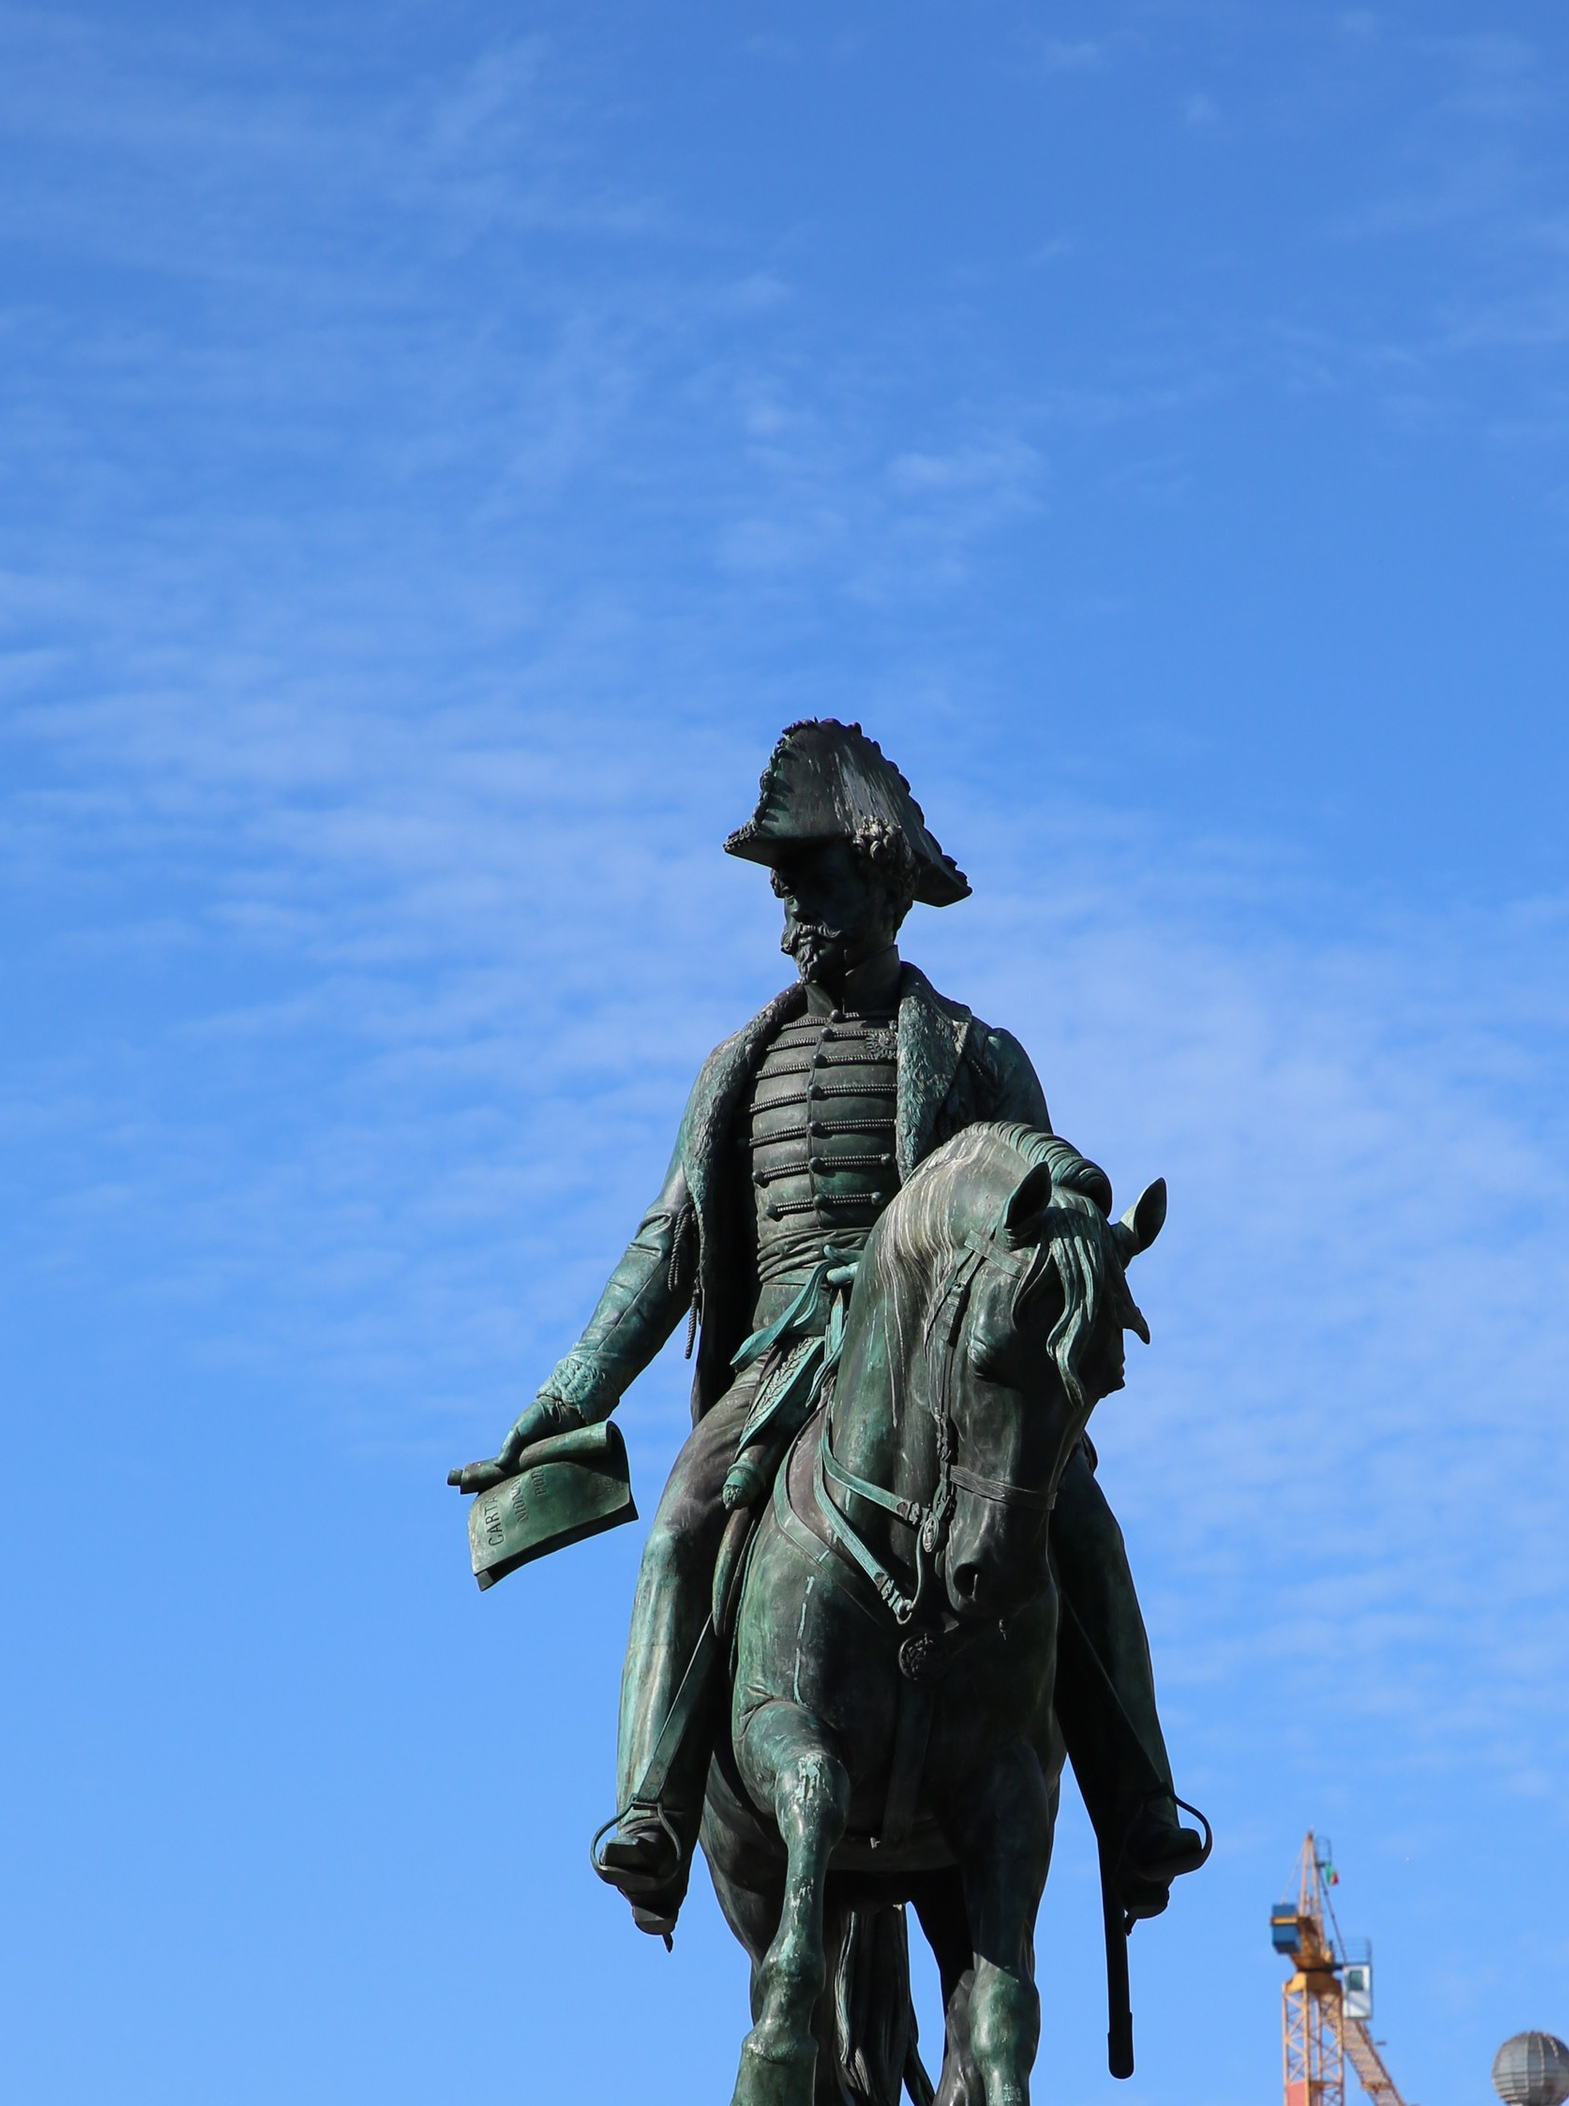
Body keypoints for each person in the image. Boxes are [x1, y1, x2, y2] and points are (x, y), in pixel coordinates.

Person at [468, 719, 1206, 1946]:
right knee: (682, 1529)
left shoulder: (975, 1053)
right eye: (781, 885)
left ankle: (1138, 1801)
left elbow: (1044, 1206)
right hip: (779, 1368)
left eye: (808, 880)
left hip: (939, 1370)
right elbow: (671, 1245)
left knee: (1078, 1522)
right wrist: (574, 1388)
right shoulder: (738, 1065)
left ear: (879, 879)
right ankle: (650, 1805)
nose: (788, 912)